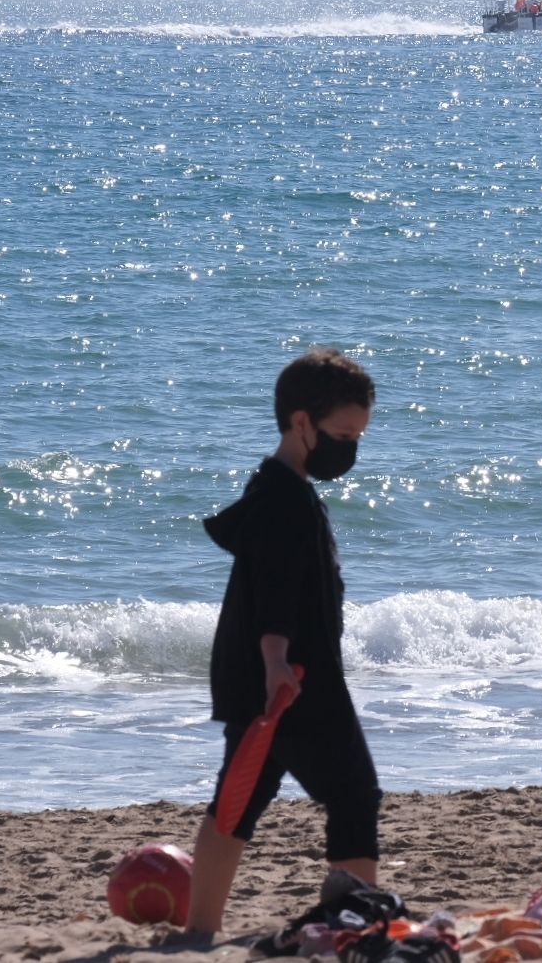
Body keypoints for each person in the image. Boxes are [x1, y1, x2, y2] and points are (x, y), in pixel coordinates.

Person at [185, 346, 383, 936]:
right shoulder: (284, 501)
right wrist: (278, 664)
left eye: (360, 436)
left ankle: (200, 930)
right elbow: (274, 591)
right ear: (301, 422)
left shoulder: (275, 487)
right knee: (354, 795)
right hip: (294, 679)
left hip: (264, 677)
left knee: (236, 806)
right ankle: (355, 927)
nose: (351, 448)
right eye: (344, 434)